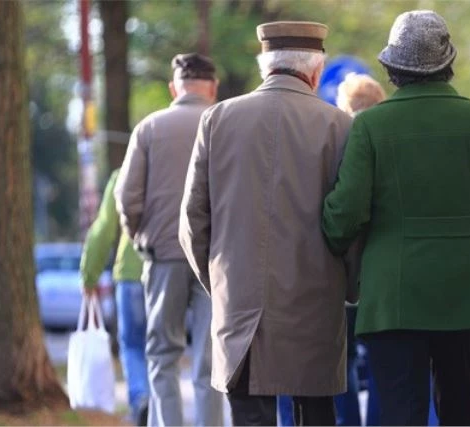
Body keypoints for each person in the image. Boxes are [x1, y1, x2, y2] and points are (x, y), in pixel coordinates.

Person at [321, 10, 470, 426]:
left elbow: (345, 211)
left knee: (401, 412)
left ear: (391, 67)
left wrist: (329, 236)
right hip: (463, 295)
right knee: (460, 406)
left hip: (392, 299)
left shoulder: (371, 127)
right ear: (448, 63)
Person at [178, 21, 358, 427]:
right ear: (315, 71)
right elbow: (351, 220)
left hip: (240, 308)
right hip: (316, 304)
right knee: (315, 414)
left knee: (249, 417)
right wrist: (350, 285)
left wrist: (220, 281)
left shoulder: (217, 120)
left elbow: (192, 220)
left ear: (264, 66)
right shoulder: (341, 126)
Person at [114, 53, 223, 427]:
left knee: (162, 355)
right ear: (213, 86)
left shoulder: (149, 128)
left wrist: (141, 239)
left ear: (174, 87)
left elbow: (127, 197)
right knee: (209, 359)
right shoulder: (226, 123)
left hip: (164, 255)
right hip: (215, 259)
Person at [333, 73, 386, 427]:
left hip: (339, 274)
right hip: (382, 271)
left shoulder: (335, 139)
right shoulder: (387, 139)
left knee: (343, 361)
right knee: (385, 360)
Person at [80, 169, 149, 426]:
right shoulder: (175, 169)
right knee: (162, 347)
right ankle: (160, 407)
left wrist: (89, 276)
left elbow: (104, 228)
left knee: (132, 345)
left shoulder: (123, 175)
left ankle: (141, 399)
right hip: (163, 271)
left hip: (130, 274)